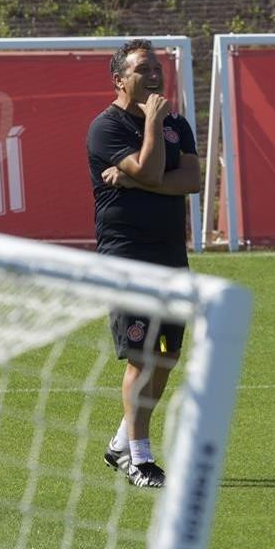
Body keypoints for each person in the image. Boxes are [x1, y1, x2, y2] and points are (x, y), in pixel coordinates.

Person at [85, 39, 201, 488]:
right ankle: (140, 458)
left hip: (170, 253)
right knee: (141, 356)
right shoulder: (105, 128)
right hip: (126, 256)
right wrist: (152, 123)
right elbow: (155, 171)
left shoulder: (178, 124)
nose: (155, 75)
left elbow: (191, 179)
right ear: (119, 80)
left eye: (157, 68)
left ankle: (120, 444)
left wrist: (134, 183)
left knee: (167, 356)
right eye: (142, 70)